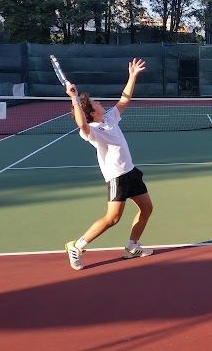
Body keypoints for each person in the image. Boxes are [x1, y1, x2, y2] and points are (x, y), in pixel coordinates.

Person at [63, 58, 154, 270]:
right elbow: (81, 124)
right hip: (117, 177)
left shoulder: (110, 119)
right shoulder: (92, 131)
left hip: (131, 172)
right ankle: (77, 245)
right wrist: (74, 98)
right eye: (95, 103)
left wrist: (132, 76)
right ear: (91, 112)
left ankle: (133, 247)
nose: (99, 103)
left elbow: (125, 99)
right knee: (113, 219)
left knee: (147, 208)